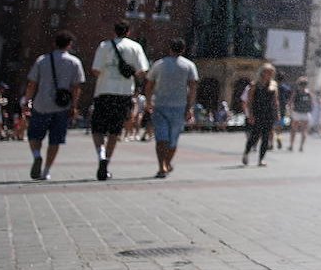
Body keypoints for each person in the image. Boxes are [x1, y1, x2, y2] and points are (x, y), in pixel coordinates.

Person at [88, 21, 149, 181]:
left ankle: (100, 155)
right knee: (115, 130)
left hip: (103, 92)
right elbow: (142, 72)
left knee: (98, 129)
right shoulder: (135, 47)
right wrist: (129, 72)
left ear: (114, 31)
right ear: (128, 32)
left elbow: (95, 70)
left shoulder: (104, 46)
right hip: (123, 93)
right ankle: (107, 161)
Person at [23, 32, 84, 181]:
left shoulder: (42, 60)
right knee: (55, 140)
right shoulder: (74, 62)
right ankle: (46, 171)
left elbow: (32, 83)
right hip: (61, 107)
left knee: (34, 135)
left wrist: (27, 101)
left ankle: (37, 156)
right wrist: (74, 106)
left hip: (41, 104)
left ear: (55, 43)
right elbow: (76, 87)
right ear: (69, 44)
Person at [145, 38, 198, 178]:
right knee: (173, 140)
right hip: (179, 107)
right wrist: (190, 107)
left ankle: (162, 165)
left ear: (169, 48)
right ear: (183, 49)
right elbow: (193, 87)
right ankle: (167, 162)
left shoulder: (159, 65)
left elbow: (149, 84)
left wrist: (148, 101)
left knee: (161, 138)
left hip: (160, 105)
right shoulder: (189, 65)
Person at [242, 65, 279, 166]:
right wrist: (250, 115)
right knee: (255, 135)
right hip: (257, 112)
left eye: (271, 72)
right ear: (262, 72)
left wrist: (277, 114)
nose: (270, 74)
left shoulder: (273, 85)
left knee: (266, 137)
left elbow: (275, 101)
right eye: (268, 72)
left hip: (269, 113)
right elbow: (249, 101)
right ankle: (246, 152)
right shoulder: (254, 85)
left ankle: (261, 159)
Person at [286, 77, 315, 152]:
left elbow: (290, 102)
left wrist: (290, 110)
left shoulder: (296, 92)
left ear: (299, 84)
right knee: (304, 130)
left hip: (297, 113)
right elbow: (312, 104)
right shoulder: (309, 93)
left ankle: (291, 146)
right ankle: (301, 147)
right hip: (306, 114)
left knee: (293, 130)